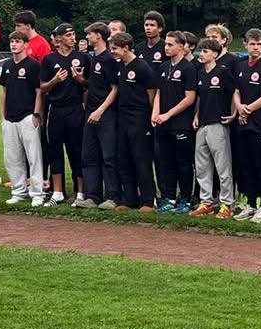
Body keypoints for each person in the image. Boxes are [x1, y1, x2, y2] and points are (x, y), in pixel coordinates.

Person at [232, 29, 261, 222]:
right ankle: (250, 204)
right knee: (247, 166)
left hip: (260, 124)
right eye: (252, 44)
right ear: (246, 45)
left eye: (259, 44)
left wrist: (247, 109)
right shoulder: (240, 65)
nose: (256, 47)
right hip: (243, 123)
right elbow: (236, 91)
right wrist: (239, 108)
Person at [110, 32, 159, 211]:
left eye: (115, 48)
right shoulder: (120, 66)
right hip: (122, 116)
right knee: (124, 159)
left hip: (139, 117)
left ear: (126, 48)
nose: (112, 52)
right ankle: (129, 199)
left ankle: (148, 200)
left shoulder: (142, 67)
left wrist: (148, 116)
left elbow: (151, 93)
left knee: (141, 159)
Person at [40, 23, 87, 206]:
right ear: (58, 38)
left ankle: (80, 192)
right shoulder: (49, 59)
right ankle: (57, 192)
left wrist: (80, 79)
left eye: (74, 34)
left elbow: (89, 85)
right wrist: (55, 80)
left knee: (77, 151)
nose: (73, 38)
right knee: (55, 151)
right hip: (56, 110)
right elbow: (42, 87)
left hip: (76, 109)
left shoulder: (82, 58)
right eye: (68, 35)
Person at [189, 38, 236, 218]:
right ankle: (206, 202)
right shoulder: (200, 73)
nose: (201, 54)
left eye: (205, 51)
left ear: (215, 54)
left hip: (218, 123)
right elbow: (200, 97)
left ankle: (227, 204)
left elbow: (235, 92)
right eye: (201, 51)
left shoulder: (222, 72)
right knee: (202, 167)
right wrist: (196, 115)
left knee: (223, 167)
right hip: (202, 124)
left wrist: (233, 113)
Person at [153, 30, 198, 213]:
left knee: (183, 163)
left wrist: (168, 114)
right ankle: (170, 197)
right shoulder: (163, 67)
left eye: (170, 44)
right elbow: (158, 92)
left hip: (181, 124)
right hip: (163, 124)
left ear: (181, 46)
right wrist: (155, 113)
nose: (166, 47)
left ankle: (185, 199)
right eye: (166, 44)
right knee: (167, 162)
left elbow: (190, 98)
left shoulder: (189, 68)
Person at [0, 31, 45, 206]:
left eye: (17, 41)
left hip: (27, 116)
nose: (14, 44)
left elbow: (39, 92)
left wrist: (36, 114)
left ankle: (37, 193)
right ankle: (18, 191)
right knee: (12, 157)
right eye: (12, 41)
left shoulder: (34, 65)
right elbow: (4, 92)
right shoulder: (7, 65)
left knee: (34, 157)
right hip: (9, 118)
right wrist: (2, 116)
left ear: (26, 44)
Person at [79, 21, 121, 209]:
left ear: (98, 36)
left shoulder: (109, 60)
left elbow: (115, 88)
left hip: (106, 114)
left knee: (108, 156)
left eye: (90, 34)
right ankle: (92, 196)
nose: (87, 37)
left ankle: (112, 196)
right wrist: (81, 80)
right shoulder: (93, 58)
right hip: (91, 113)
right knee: (89, 155)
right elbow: (94, 85)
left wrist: (100, 110)